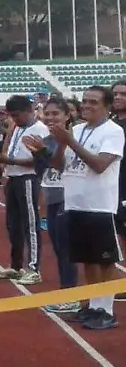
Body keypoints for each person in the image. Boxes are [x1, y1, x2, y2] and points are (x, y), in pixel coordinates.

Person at [46, 86, 122, 331]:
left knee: (104, 261)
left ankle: (106, 309)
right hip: (76, 204)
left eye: (94, 102)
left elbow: (100, 165)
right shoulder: (76, 129)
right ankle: (92, 304)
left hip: (100, 206)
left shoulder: (114, 131)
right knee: (87, 260)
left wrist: (70, 141)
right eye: (85, 101)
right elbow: (58, 166)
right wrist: (61, 144)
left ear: (107, 106)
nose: (87, 106)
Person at [22, 98, 80, 312]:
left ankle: (71, 295)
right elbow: (41, 170)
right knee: (58, 248)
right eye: (47, 113)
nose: (51, 117)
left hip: (69, 196)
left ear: (67, 115)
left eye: (56, 113)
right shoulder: (44, 139)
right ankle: (68, 292)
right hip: (52, 195)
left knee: (66, 249)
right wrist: (37, 152)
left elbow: (62, 165)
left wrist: (44, 151)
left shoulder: (73, 138)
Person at [0, 95, 48, 285]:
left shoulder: (39, 129)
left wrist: (10, 161)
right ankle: (16, 266)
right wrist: (4, 158)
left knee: (30, 224)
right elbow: (11, 150)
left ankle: (34, 268)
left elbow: (39, 160)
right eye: (12, 115)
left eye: (17, 115)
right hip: (13, 178)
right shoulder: (17, 127)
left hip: (28, 179)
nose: (14, 119)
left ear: (28, 111)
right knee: (13, 224)